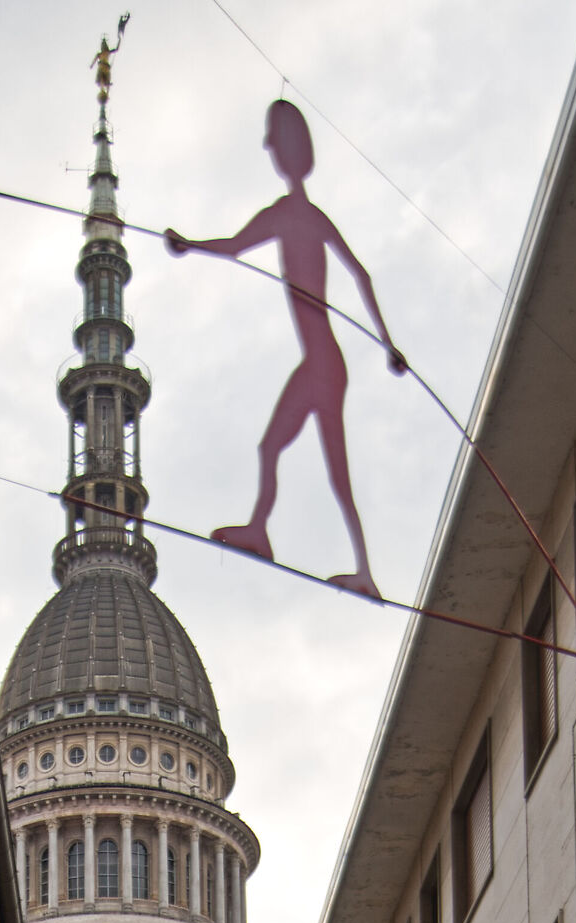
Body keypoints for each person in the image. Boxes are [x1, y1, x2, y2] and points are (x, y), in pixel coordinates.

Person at [167, 99, 406, 600]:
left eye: (274, 141)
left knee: (321, 464)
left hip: (323, 363)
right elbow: (360, 274)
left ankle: (352, 565)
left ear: (284, 149)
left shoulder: (286, 215)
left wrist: (189, 245)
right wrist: (388, 346)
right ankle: (269, 533)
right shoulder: (311, 217)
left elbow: (233, 247)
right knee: (288, 453)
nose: (271, 149)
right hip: (325, 361)